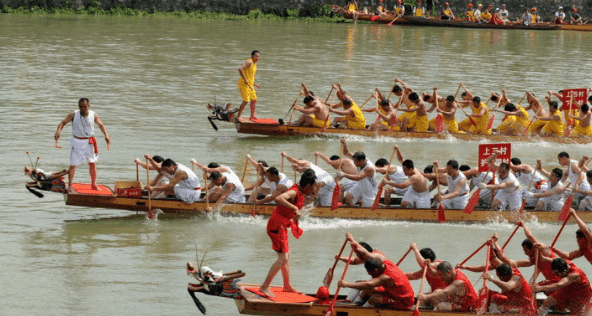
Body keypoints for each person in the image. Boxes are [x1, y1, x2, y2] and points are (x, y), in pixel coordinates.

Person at [259, 170, 316, 298]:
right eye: (313, 186)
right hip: (276, 225)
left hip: (282, 225)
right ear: (307, 186)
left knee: (287, 255)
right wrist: (294, 208)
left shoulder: (300, 191)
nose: (314, 189)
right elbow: (278, 198)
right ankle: (264, 287)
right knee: (283, 258)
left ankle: (287, 286)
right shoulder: (294, 191)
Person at [54, 98, 111, 191]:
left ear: (89, 106)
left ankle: (93, 184)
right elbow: (63, 122)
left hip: (89, 142)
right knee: (73, 164)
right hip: (77, 141)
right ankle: (70, 186)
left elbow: (101, 125)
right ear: (79, 106)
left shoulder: (94, 115)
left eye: (85, 107)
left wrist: (106, 135)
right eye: (81, 107)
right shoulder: (73, 115)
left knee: (92, 163)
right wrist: (58, 132)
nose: (83, 109)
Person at [338, 257, 415, 310]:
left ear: (375, 270)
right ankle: (353, 305)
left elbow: (368, 284)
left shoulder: (386, 277)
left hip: (404, 301)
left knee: (374, 299)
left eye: (369, 273)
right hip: (393, 293)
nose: (369, 275)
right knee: (367, 289)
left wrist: (346, 284)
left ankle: (360, 312)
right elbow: (367, 255)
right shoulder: (387, 263)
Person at [335, 139, 377, 207]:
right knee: (348, 198)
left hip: (369, 189)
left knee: (368, 208)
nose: (354, 163)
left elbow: (358, 177)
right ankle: (353, 210)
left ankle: (381, 206)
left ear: (362, 160)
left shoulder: (369, 168)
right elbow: (346, 153)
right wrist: (344, 144)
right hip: (359, 184)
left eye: (356, 162)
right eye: (354, 161)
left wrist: (344, 174)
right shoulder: (358, 159)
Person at [236, 50, 261, 121]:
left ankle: (252, 116)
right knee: (246, 100)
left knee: (254, 99)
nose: (257, 58)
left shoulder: (255, 64)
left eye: (258, 56)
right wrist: (244, 79)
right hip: (244, 84)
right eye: (256, 56)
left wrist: (255, 84)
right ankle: (239, 116)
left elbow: (250, 76)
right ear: (252, 56)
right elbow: (240, 69)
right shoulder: (249, 62)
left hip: (250, 85)